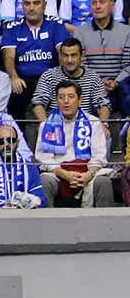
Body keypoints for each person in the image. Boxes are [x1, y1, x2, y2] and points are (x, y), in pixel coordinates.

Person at [35, 79, 113, 208]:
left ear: (79, 100)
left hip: (87, 172)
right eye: (61, 97)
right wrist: (64, 174)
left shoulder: (93, 122)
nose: (66, 101)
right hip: (58, 173)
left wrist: (88, 174)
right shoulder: (47, 125)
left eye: (71, 97)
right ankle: (46, 225)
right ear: (57, 101)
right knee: (44, 180)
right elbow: (43, 158)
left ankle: (107, 226)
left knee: (103, 182)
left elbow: (99, 156)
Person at [0, 0, 71, 121]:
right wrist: (14, 77)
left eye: (36, 3)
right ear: (22, 6)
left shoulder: (56, 24)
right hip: (24, 80)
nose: (31, 8)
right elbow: (8, 57)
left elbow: (62, 53)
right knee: (14, 96)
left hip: (51, 77)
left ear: (44, 5)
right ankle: (19, 139)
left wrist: (61, 79)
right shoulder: (12, 27)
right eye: (27, 4)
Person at [30, 38, 110, 123]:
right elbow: (38, 103)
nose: (69, 60)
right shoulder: (49, 76)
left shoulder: (93, 78)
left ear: (82, 55)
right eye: (65, 55)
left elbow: (103, 104)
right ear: (60, 56)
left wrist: (103, 124)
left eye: (73, 55)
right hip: (55, 127)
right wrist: (46, 126)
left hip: (85, 128)